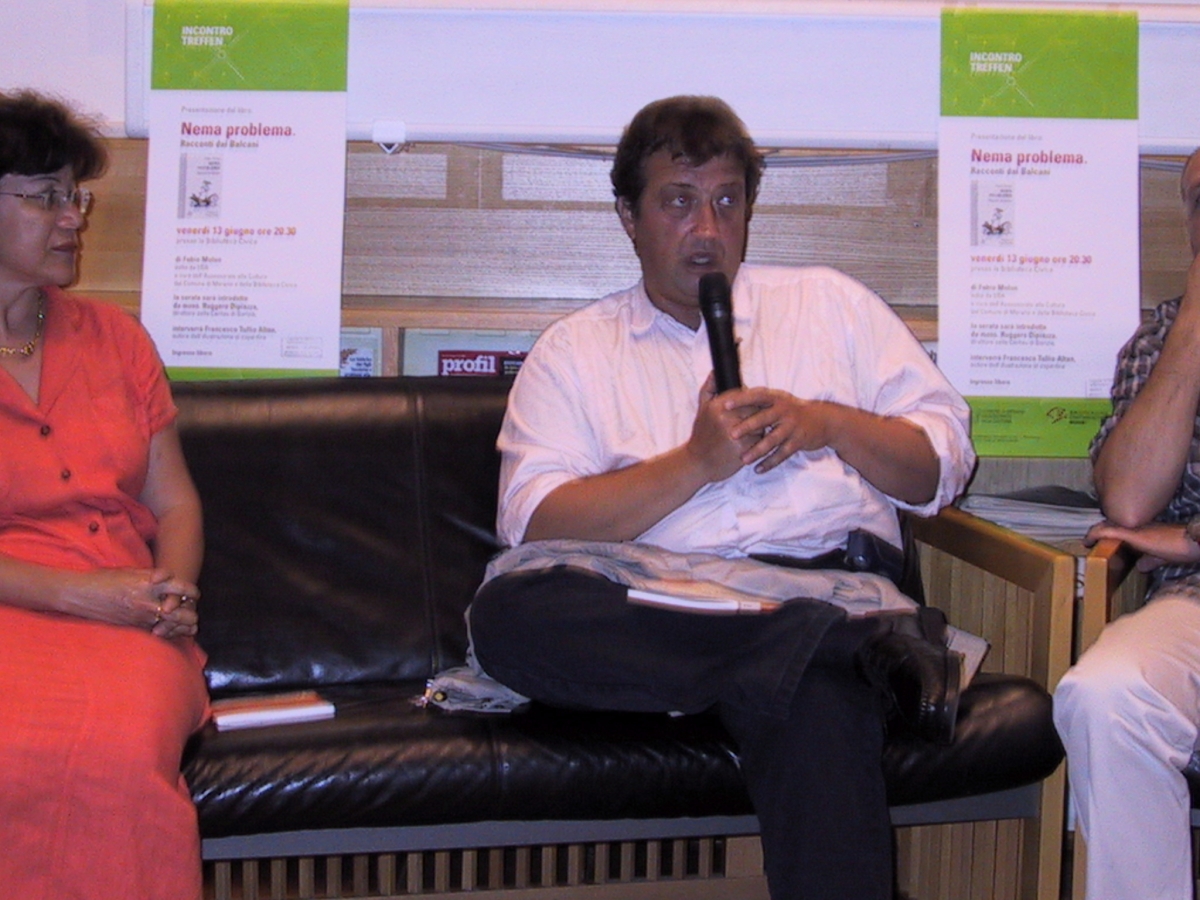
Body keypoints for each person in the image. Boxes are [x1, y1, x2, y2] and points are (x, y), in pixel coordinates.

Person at [466, 96, 976, 900]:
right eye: (678, 201)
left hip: (821, 579)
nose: (707, 228)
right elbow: (534, 525)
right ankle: (831, 644)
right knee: (509, 615)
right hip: (662, 602)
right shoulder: (574, 350)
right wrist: (695, 463)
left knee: (815, 693)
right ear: (629, 218)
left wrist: (827, 423)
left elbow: (939, 471)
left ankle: (815, 641)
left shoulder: (831, 305)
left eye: (727, 201)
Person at [0, 91, 209, 899]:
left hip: (131, 622)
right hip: (21, 611)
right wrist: (87, 596)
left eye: (75, 197)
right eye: (46, 197)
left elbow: (177, 503)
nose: (72, 219)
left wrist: (171, 592)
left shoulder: (118, 339)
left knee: (121, 746)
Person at [1054, 147, 1200, 900]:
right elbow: (1130, 501)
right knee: (1105, 696)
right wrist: (1197, 320)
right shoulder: (1166, 333)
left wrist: (1190, 536)